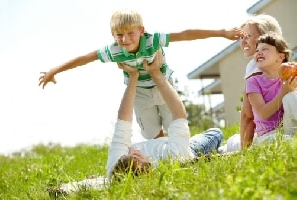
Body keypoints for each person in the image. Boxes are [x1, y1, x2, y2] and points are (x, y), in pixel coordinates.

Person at [38, 9, 244, 140]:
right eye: (119, 35)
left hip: (163, 86)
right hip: (139, 93)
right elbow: (85, 58)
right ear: (113, 35)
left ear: (141, 30)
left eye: (130, 33)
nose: (125, 39)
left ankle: (181, 150)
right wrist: (55, 70)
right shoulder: (113, 50)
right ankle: (162, 156)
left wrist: (222, 32)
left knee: (176, 127)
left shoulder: (152, 40)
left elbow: (185, 34)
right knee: (153, 133)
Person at [107, 52, 223, 179]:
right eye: (136, 156)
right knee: (216, 133)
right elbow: (178, 113)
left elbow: (123, 120)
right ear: (148, 168)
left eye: (127, 155)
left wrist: (133, 77)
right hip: (186, 147)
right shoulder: (176, 155)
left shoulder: (116, 166)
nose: (131, 150)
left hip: (167, 143)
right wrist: (156, 74)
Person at [240, 14, 284, 149]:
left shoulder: (256, 67)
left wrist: (244, 153)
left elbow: (248, 116)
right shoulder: (281, 63)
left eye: (248, 36)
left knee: (222, 139)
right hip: (283, 131)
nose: (243, 42)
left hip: (268, 136)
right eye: (241, 37)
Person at [246, 33, 297, 144]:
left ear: (280, 57)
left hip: (289, 128)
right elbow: (263, 114)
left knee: (291, 96)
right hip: (267, 135)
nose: (259, 52)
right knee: (287, 141)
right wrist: (283, 92)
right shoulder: (253, 82)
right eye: (257, 50)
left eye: (265, 49)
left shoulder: (290, 77)